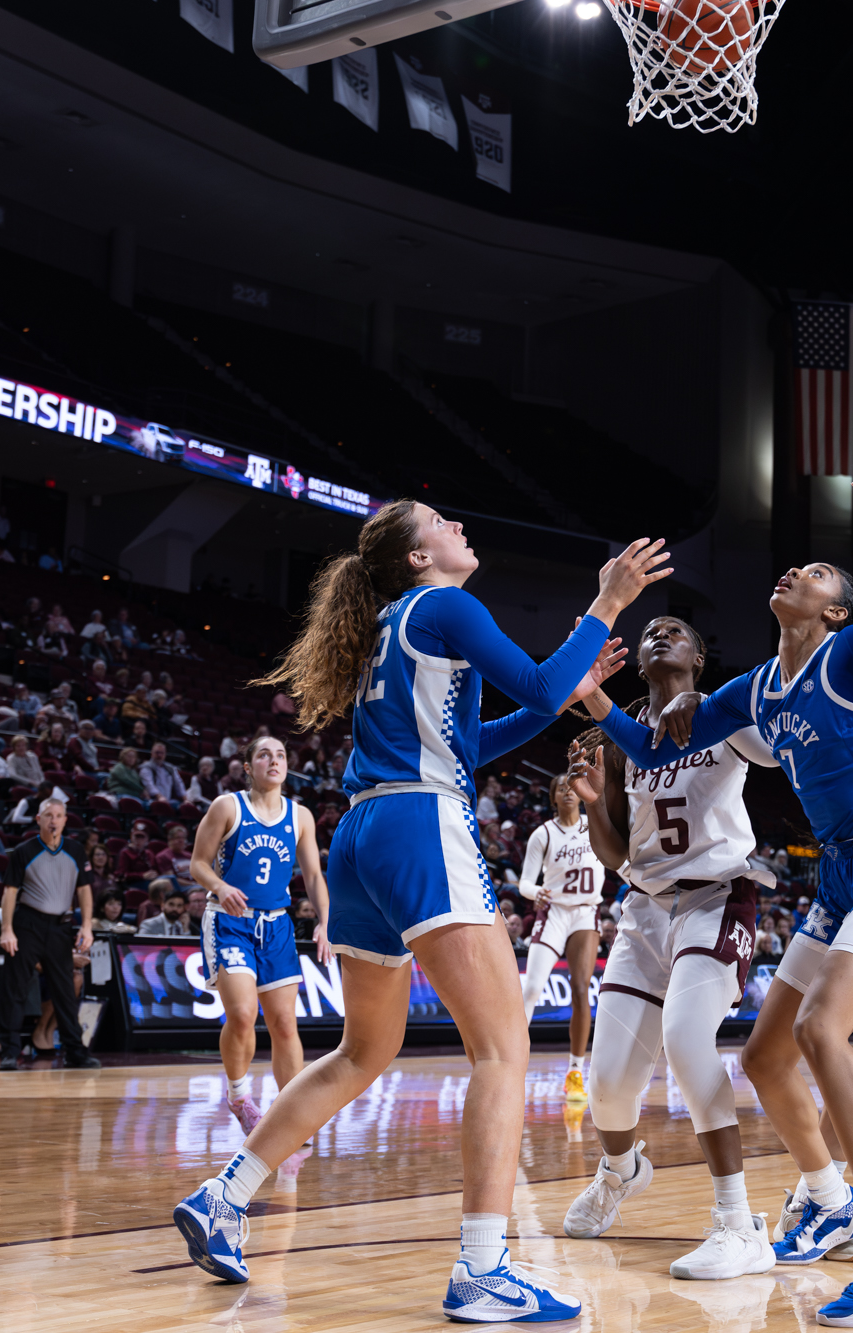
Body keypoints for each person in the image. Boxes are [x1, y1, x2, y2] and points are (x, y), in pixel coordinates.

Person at [172, 496, 661, 1314]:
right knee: (502, 1048)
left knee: (364, 1050)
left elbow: (477, 738)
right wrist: (606, 601)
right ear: (417, 555)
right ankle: (481, 1267)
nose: (460, 525)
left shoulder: (398, 621)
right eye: (440, 521)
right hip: (420, 824)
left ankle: (226, 1194)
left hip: (363, 829)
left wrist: (564, 692)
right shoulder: (448, 604)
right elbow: (537, 682)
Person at [584, 451, 853, 1324]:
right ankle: (830, 1197)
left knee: (816, 1028)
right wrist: (597, 704)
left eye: (809, 573)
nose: (790, 572)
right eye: (792, 567)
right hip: (838, 876)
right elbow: (657, 750)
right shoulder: (756, 688)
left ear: (833, 609)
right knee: (764, 1055)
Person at [557, 613, 781, 1281]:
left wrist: (709, 708)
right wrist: (595, 804)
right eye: (649, 629)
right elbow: (617, 849)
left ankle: (738, 1225)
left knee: (687, 1040)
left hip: (718, 896)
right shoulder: (619, 738)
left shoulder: (726, 713)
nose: (658, 633)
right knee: (608, 1090)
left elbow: (777, 748)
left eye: (675, 629)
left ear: (699, 655)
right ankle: (621, 1170)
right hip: (644, 907)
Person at [192, 734, 329, 1133]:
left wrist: (324, 920)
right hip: (230, 920)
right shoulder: (227, 807)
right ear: (248, 767)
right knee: (243, 1014)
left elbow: (314, 875)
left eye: (281, 755)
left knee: (286, 1023)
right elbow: (198, 864)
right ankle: (239, 1096)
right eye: (264, 755)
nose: (275, 760)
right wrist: (219, 886)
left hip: (277, 924)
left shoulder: (300, 816)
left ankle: (290, 1119)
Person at [516, 773, 606, 1100]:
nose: (567, 792)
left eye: (571, 787)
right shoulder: (543, 834)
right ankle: (511, 1065)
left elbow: (617, 859)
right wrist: (535, 891)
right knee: (531, 989)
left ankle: (575, 1072)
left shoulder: (593, 825)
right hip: (553, 912)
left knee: (581, 988)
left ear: (581, 794)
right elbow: (525, 882)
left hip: (584, 912)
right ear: (553, 797)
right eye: (560, 789)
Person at [0, 798, 100, 1071]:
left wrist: (86, 926)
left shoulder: (76, 850)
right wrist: (7, 929)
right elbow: (9, 892)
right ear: (38, 820)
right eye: (48, 815)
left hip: (61, 927)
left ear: (65, 820)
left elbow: (84, 891)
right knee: (15, 988)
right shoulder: (23, 850)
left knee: (65, 990)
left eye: (59, 815)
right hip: (27, 924)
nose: (53, 820)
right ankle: (9, 1052)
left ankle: (76, 1052)